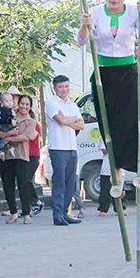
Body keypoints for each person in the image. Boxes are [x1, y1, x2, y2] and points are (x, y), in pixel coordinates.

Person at [78, 0, 140, 206]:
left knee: (132, 121)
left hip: (127, 71)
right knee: (108, 123)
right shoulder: (94, 13)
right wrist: (84, 25)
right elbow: (81, 40)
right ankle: (116, 172)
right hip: (103, 71)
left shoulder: (133, 11)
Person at [45, 75, 86, 226]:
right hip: (58, 147)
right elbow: (60, 121)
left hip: (71, 147)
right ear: (55, 88)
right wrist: (71, 120)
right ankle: (57, 215)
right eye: (61, 87)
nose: (64, 89)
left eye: (66, 86)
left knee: (70, 183)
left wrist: (69, 120)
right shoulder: (51, 103)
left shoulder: (72, 105)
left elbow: (81, 125)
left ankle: (65, 212)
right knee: (59, 182)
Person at [0, 94, 37, 225]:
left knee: (23, 185)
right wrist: (8, 134)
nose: (24, 106)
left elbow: (27, 137)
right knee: (7, 186)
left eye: (27, 104)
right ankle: (13, 213)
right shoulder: (8, 116)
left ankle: (26, 213)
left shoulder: (31, 121)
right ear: (18, 104)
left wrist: (8, 138)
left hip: (22, 156)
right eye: (22, 103)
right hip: (6, 156)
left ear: (30, 107)